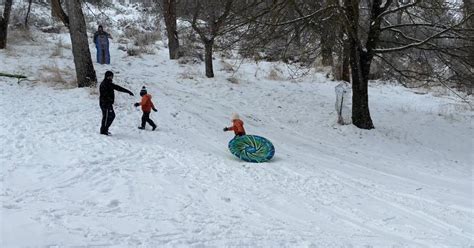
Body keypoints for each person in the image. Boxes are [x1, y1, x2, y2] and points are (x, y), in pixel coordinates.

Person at [99, 71, 134, 135]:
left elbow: (118, 88)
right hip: (105, 103)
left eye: (112, 76)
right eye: (110, 76)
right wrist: (109, 100)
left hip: (108, 103)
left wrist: (128, 91)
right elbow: (104, 95)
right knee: (107, 117)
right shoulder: (104, 84)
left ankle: (105, 129)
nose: (111, 78)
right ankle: (103, 131)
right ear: (107, 76)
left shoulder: (109, 83)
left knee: (111, 116)